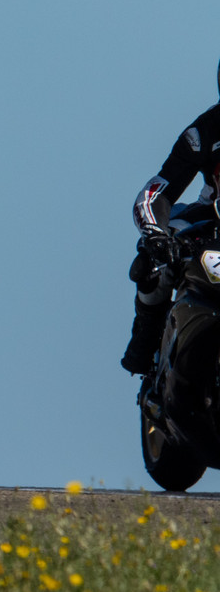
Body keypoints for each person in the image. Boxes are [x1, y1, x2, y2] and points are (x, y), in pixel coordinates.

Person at [122, 60, 220, 374]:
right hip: (210, 220)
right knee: (154, 260)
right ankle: (145, 349)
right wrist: (154, 234)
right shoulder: (204, 131)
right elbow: (157, 192)